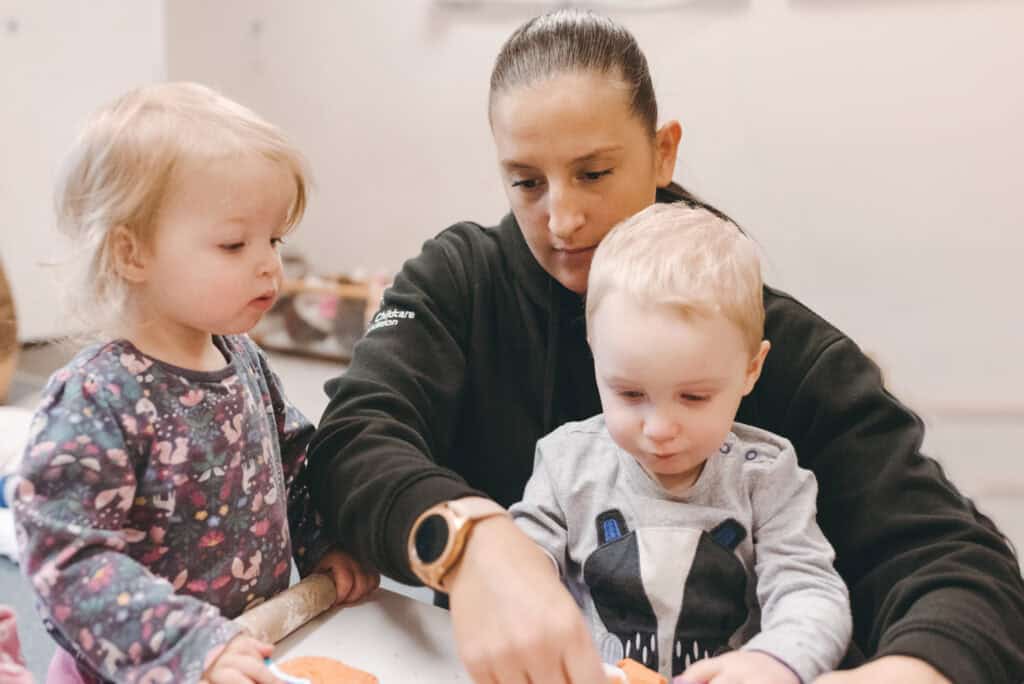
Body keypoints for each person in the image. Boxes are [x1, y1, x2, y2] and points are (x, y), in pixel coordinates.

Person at [308, 9, 1024, 684]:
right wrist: (471, 543)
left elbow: (958, 567)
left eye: (593, 172)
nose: (561, 217)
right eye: (526, 182)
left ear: (662, 150)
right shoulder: (458, 284)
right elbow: (351, 442)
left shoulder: (788, 349)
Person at [13, 83, 378, 684]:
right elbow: (69, 560)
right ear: (132, 254)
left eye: (274, 240)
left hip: (243, 649)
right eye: (234, 244)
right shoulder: (97, 398)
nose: (269, 264)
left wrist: (324, 543)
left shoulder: (243, 359)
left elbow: (294, 464)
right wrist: (186, 642)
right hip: (138, 668)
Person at [509, 203, 852, 683]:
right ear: (594, 355)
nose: (659, 428)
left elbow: (810, 590)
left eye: (693, 397)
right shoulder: (568, 462)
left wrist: (772, 662)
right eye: (630, 394)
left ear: (751, 369)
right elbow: (518, 562)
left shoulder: (766, 477)